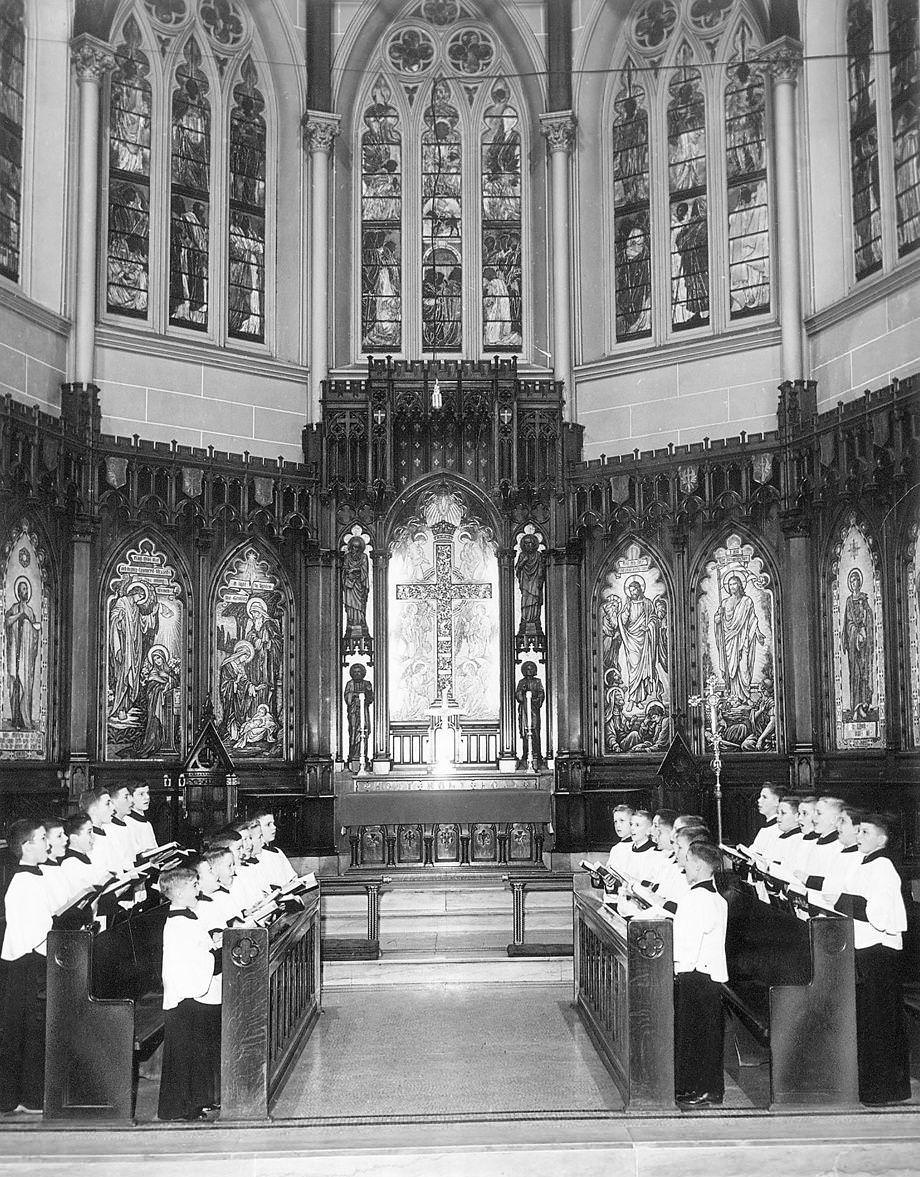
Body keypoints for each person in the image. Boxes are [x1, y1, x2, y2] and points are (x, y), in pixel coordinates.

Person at [832, 814, 910, 1105]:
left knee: (879, 1021)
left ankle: (883, 1089)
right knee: (867, 1020)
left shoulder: (884, 866)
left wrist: (845, 900)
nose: (859, 836)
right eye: (859, 831)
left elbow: (879, 914)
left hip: (879, 953)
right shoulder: (862, 862)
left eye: (866, 832)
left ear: (882, 839)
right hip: (863, 948)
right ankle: (869, 1084)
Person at [157, 866, 221, 1122]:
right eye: (194, 886)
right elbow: (192, 960)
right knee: (183, 1054)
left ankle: (197, 1101)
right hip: (183, 997)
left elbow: (198, 949)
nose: (198, 890)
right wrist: (214, 955)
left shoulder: (187, 917)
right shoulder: (177, 923)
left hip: (192, 994)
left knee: (196, 1050)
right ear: (179, 892)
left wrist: (212, 946)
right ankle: (178, 1109)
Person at [669, 842, 728, 1105]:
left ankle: (702, 1088)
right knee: (703, 1032)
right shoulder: (714, 897)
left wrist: (678, 970)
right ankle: (701, 1087)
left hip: (696, 974)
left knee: (697, 1034)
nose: (684, 866)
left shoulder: (697, 898)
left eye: (688, 862)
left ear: (699, 866)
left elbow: (689, 941)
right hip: (706, 974)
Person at [0, 818, 52, 1113]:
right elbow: (34, 932)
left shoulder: (36, 877)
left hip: (34, 959)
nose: (48, 843)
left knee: (31, 1030)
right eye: (43, 838)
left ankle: (28, 1096)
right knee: (28, 1031)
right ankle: (27, 1098)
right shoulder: (22, 883)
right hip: (28, 962)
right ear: (26, 846)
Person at [4, 576, 41, 729]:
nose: (24, 592)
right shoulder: (14, 609)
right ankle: (15, 718)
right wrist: (20, 615)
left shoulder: (30, 611)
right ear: (18, 593)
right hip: (15, 652)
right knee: (15, 685)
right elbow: (7, 622)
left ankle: (25, 719)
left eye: (26, 589)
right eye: (22, 589)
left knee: (26, 685)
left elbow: (36, 632)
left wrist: (29, 625)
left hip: (26, 656)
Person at [842, 568, 874, 720]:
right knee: (855, 674)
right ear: (850, 584)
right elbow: (847, 622)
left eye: (856, 580)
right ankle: (855, 707)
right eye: (852, 580)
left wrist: (864, 630)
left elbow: (869, 618)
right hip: (853, 643)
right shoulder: (849, 601)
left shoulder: (864, 599)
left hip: (864, 644)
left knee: (864, 674)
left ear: (860, 582)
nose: (855, 583)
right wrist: (855, 632)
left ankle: (863, 705)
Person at [796, 796, 845, 890]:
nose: (813, 817)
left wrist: (807, 879)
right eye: (814, 812)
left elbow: (833, 884)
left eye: (819, 813)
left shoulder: (838, 847)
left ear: (834, 819)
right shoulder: (815, 841)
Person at [60, 813, 111, 900]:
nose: (93, 837)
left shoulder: (87, 856)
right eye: (89, 832)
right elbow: (80, 899)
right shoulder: (70, 864)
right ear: (74, 838)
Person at [254, 809, 297, 889]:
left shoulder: (278, 852)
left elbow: (292, 877)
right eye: (268, 824)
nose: (274, 827)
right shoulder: (256, 854)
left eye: (273, 823)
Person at [39, 815, 70, 914]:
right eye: (59, 836)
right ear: (46, 842)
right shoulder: (44, 872)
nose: (66, 838)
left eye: (64, 834)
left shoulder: (56, 866)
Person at [126, 781, 158, 856]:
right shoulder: (128, 822)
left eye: (148, 793)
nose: (147, 797)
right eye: (141, 794)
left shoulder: (147, 824)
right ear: (130, 798)